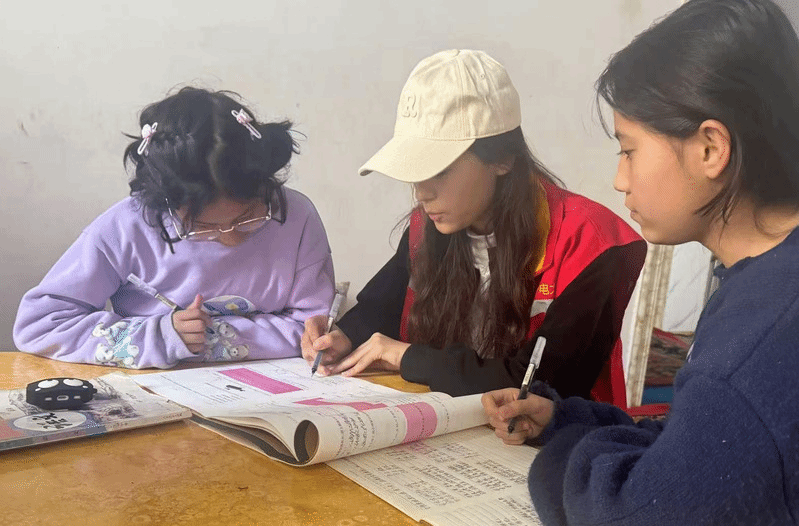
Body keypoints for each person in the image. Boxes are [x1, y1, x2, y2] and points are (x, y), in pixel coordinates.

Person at [482, 0, 799, 523]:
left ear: (710, 148)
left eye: (628, 150)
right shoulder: (764, 284)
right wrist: (567, 421)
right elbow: (706, 447)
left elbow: (631, 512)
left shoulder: (758, 337)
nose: (619, 180)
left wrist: (562, 456)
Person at [302, 49, 647, 401]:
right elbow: (380, 308)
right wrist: (341, 336)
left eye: (439, 170)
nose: (422, 192)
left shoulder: (591, 243)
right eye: (414, 172)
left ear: (502, 159)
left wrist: (408, 357)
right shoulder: (426, 227)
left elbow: (538, 386)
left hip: (550, 433)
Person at [13, 87, 335, 368]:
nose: (231, 237)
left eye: (248, 218)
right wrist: (159, 337)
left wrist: (209, 338)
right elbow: (40, 325)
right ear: (164, 203)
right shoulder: (129, 226)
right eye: (204, 228)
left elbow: (312, 327)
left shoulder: (295, 216)